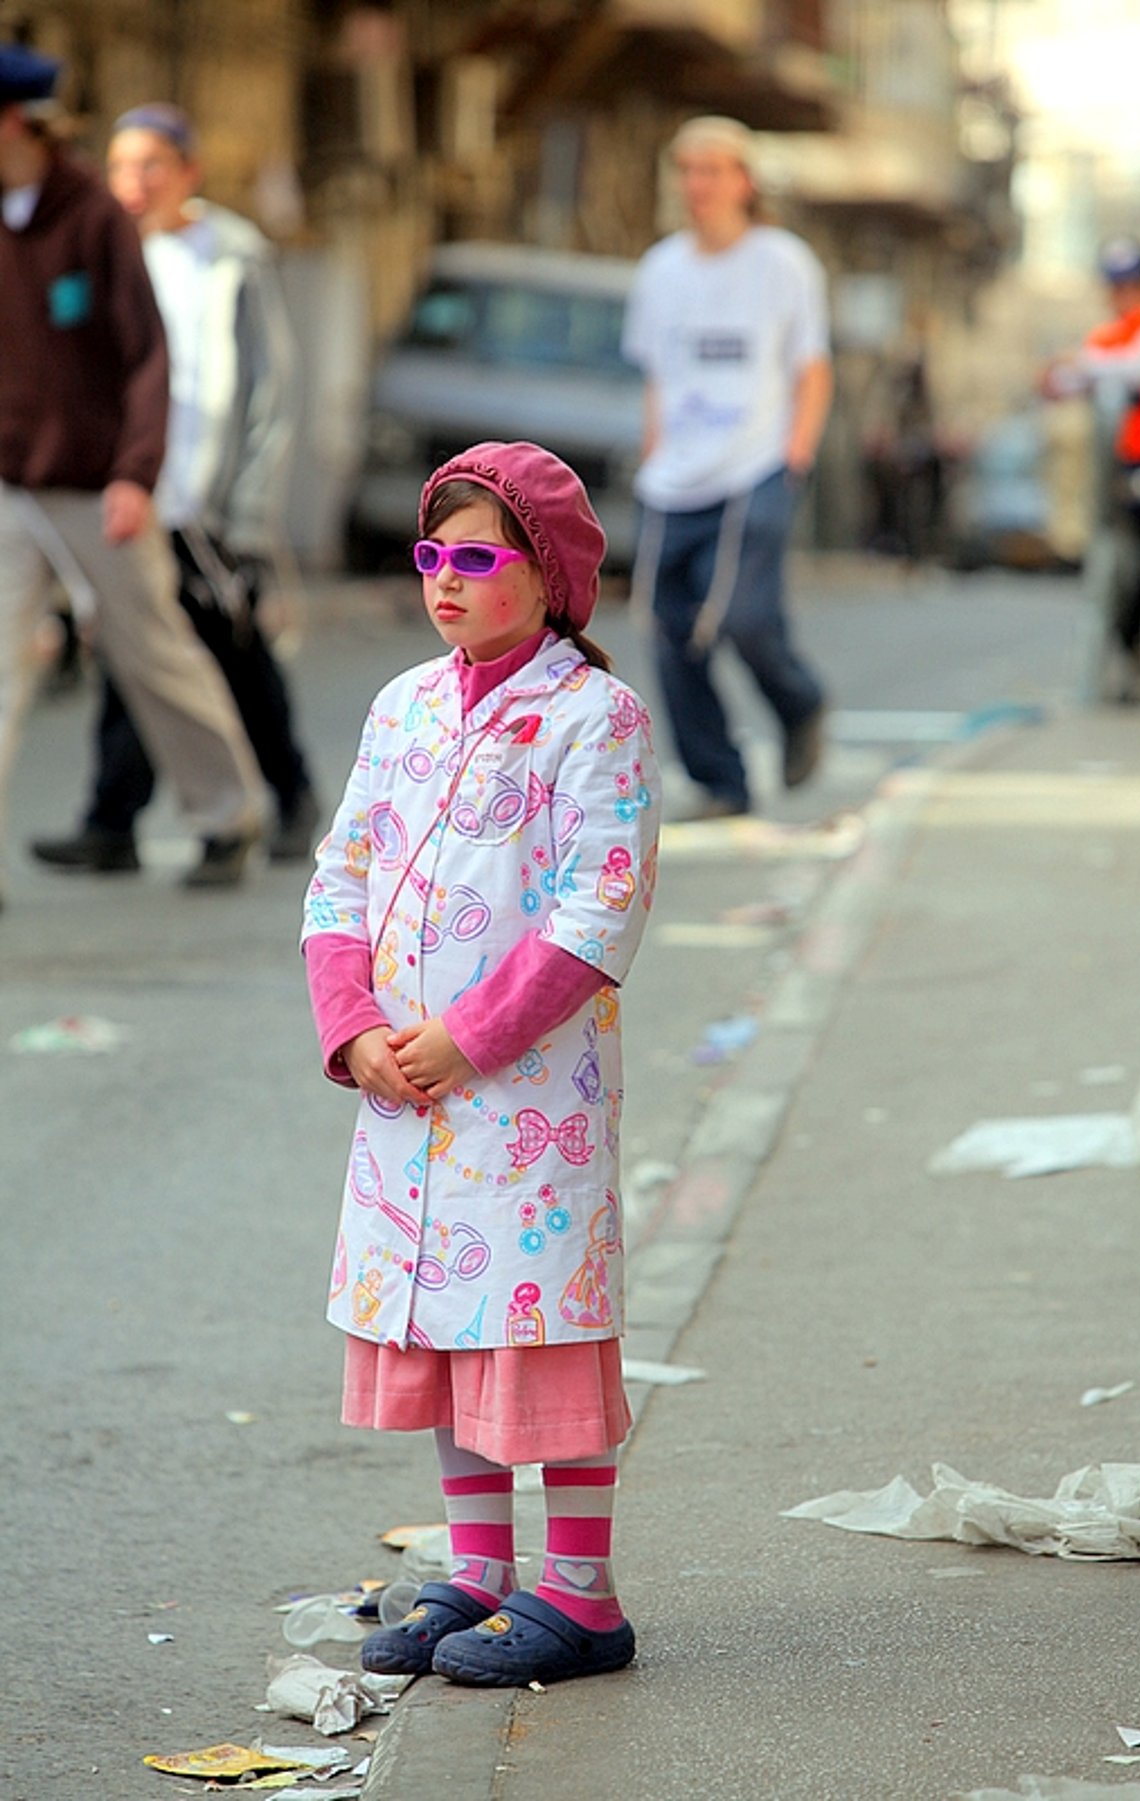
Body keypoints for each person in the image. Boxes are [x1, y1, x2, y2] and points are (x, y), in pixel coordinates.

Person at [301, 440, 661, 1686]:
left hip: (524, 1099)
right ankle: (476, 1567)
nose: (444, 581)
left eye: (476, 558)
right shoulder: (401, 704)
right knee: (446, 1324)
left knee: (539, 1326)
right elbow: (340, 872)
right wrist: (352, 1027)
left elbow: (594, 911)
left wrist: (469, 1039)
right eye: (430, 556)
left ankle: (582, 1594)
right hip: (403, 1089)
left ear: (546, 575)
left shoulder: (592, 716)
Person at [0, 46, 264, 899]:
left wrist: (135, 474)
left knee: (152, 654)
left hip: (96, 484)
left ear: (18, 122)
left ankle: (228, 815)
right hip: (11, 484)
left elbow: (149, 357)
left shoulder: (91, 217)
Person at [31, 102, 319, 879]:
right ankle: (113, 819)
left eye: (152, 164)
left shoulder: (230, 256)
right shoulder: (102, 250)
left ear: (187, 172)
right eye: (121, 166)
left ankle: (290, 794)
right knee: (138, 654)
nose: (135, 182)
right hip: (130, 488)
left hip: (206, 494)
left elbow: (269, 385)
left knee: (227, 650)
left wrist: (250, 508)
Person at [622, 114, 834, 819]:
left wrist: (793, 455)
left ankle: (800, 703)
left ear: (743, 181)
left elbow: (811, 368)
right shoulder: (661, 269)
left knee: (741, 615)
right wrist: (656, 455)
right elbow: (659, 374)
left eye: (712, 170)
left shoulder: (783, 262)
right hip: (675, 476)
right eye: (686, 171)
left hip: (755, 467)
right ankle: (721, 779)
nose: (697, 185)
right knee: (667, 626)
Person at [1043, 236, 1140, 705]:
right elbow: (1063, 382)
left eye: (1129, 285)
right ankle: (1134, 657)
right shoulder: (1106, 337)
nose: (1121, 295)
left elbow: (1135, 370)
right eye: (1115, 286)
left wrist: (1080, 364)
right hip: (1126, 477)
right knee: (1136, 576)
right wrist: (1060, 373)